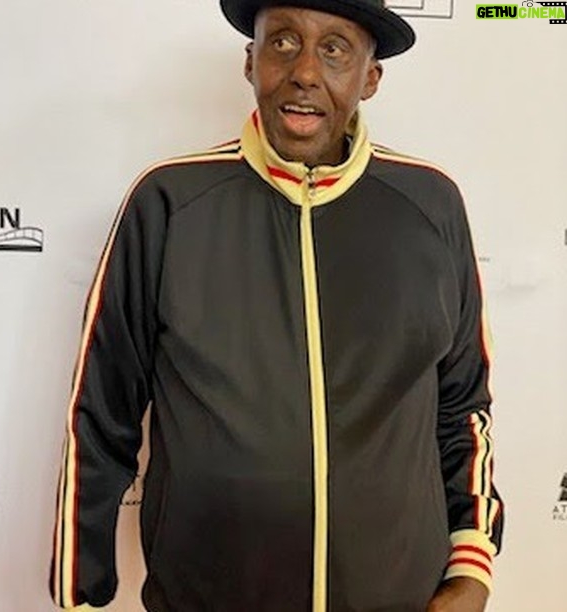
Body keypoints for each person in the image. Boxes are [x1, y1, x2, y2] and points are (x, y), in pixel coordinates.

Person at [50, 0, 504, 610]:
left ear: (371, 77)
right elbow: (102, 408)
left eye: (335, 49)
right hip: (208, 596)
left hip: (399, 595)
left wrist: (472, 564)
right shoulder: (170, 202)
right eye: (283, 42)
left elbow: (463, 405)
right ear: (251, 61)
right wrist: (79, 591)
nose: (305, 72)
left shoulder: (430, 206)